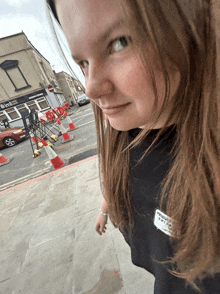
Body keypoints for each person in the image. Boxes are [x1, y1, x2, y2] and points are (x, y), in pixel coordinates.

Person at [46, 0, 220, 293]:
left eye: (119, 43)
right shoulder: (125, 131)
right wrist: (106, 206)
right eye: (83, 62)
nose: (90, 87)